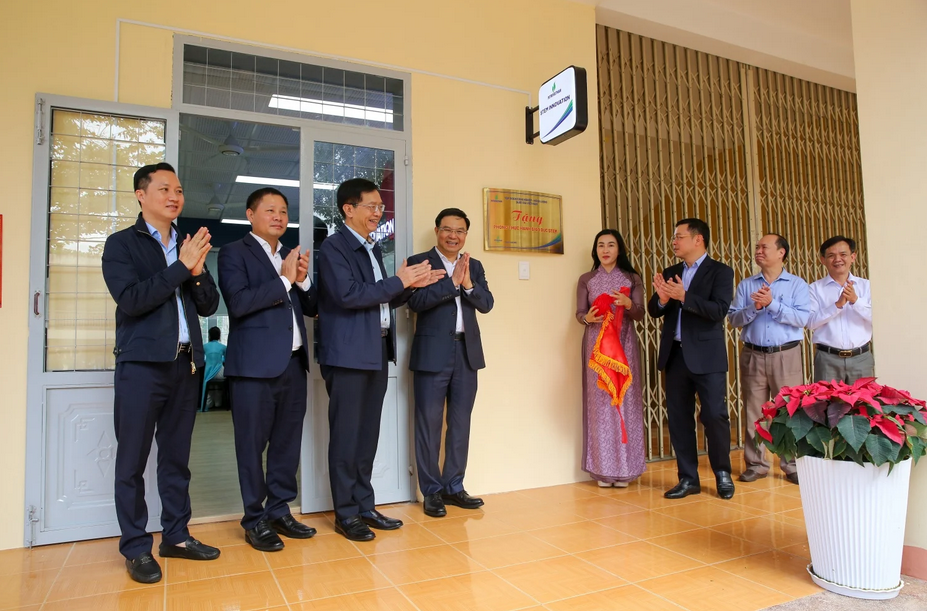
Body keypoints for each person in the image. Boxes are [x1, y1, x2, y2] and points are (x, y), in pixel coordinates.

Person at [101, 162, 221, 584]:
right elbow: (132, 300)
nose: (175, 196)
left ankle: (176, 536)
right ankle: (136, 547)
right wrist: (180, 267)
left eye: (179, 190)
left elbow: (208, 306)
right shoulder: (121, 244)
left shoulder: (187, 246)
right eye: (165, 188)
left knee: (176, 460)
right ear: (141, 195)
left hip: (186, 365)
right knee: (131, 462)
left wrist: (197, 270)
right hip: (141, 367)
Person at [317, 178, 444, 541]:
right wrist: (400, 281)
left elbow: (380, 297)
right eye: (371, 206)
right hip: (348, 355)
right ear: (348, 209)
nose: (378, 213)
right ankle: (346, 514)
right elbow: (349, 295)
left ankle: (364, 505)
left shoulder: (371, 248)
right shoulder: (334, 247)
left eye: (380, 207)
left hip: (374, 351)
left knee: (366, 436)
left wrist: (411, 286)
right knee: (347, 438)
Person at [217, 187, 318, 552]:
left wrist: (302, 279)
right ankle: (254, 519)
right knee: (251, 446)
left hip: (293, 364)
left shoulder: (289, 256)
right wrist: (285, 280)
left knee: (286, 445)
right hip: (253, 369)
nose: (278, 217)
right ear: (250, 215)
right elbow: (239, 303)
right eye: (270, 210)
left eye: (283, 211)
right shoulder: (233, 252)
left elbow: (312, 307)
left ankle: (280, 511)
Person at [408, 208, 494, 518]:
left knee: (460, 423)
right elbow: (415, 302)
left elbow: (487, 304)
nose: (453, 236)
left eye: (459, 231)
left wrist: (468, 284)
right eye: (447, 229)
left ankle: (454, 486)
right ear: (437, 231)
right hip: (432, 354)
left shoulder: (475, 265)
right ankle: (431, 491)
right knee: (428, 425)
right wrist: (451, 285)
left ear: (465, 235)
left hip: (466, 354)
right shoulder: (420, 262)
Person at [647, 218, 735, 500]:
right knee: (679, 419)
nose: (674, 241)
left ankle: (722, 473)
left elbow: (718, 310)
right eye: (674, 237)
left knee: (715, 415)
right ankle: (688, 478)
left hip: (707, 357)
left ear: (698, 239)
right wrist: (662, 299)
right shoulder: (672, 272)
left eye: (679, 236)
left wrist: (685, 296)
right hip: (675, 356)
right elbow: (655, 310)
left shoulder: (720, 272)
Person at [728, 234, 810, 485]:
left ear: (781, 252)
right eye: (757, 247)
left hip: (786, 354)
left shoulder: (797, 284)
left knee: (789, 411)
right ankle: (756, 464)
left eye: (764, 247)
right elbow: (733, 319)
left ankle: (792, 465)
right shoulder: (746, 285)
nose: (758, 251)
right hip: (753, 354)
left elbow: (802, 319)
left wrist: (772, 304)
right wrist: (754, 308)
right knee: (755, 412)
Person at [576, 229, 647, 488]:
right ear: (595, 250)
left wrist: (628, 304)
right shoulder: (587, 279)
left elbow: (640, 313)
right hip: (596, 349)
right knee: (599, 403)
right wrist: (587, 318)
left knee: (624, 400)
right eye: (601, 245)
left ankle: (626, 468)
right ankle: (602, 469)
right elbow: (580, 313)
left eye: (611, 245)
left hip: (623, 347)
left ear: (620, 249)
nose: (605, 250)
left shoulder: (632, 278)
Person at [807, 236, 874, 383]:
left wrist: (855, 301)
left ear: (853, 257)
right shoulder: (814, 289)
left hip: (861, 358)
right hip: (827, 359)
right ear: (823, 260)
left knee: (864, 398)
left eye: (843, 254)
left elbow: (877, 319)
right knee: (827, 398)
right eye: (831, 255)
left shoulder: (867, 286)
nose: (838, 259)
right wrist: (837, 305)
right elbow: (810, 322)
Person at [200, 326, 226, 411]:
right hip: (220, 373)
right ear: (219, 336)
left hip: (208, 373)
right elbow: (226, 359)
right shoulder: (223, 347)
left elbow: (202, 359)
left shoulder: (204, 346)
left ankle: (209, 403)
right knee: (220, 381)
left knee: (209, 383)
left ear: (209, 335)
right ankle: (218, 403)